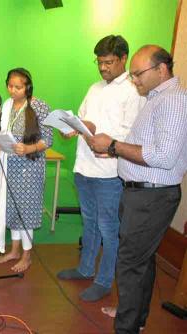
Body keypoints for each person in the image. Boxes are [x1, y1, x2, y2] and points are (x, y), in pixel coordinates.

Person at [88, 45, 187, 334]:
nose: (134, 80)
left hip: (151, 196)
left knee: (130, 263)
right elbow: (149, 148)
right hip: (143, 193)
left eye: (138, 74)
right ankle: (138, 320)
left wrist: (114, 146)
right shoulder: (158, 98)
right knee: (141, 262)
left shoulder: (173, 101)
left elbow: (163, 156)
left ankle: (126, 328)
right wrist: (116, 152)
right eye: (132, 75)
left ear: (162, 69)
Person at [57, 35, 143, 302]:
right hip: (85, 167)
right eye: (99, 62)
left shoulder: (134, 91)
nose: (103, 68)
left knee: (108, 229)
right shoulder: (95, 88)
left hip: (110, 172)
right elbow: (83, 118)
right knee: (90, 223)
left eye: (108, 62)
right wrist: (74, 127)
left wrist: (97, 130)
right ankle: (84, 268)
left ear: (123, 59)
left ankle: (104, 281)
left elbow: (132, 133)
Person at [0, 68, 52, 273]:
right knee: (11, 208)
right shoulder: (7, 106)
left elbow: (48, 139)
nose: (13, 91)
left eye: (18, 87)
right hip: (9, 165)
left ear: (28, 86)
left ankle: (27, 256)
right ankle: (14, 250)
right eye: (10, 86)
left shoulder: (39, 106)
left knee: (26, 210)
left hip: (30, 166)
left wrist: (29, 148)